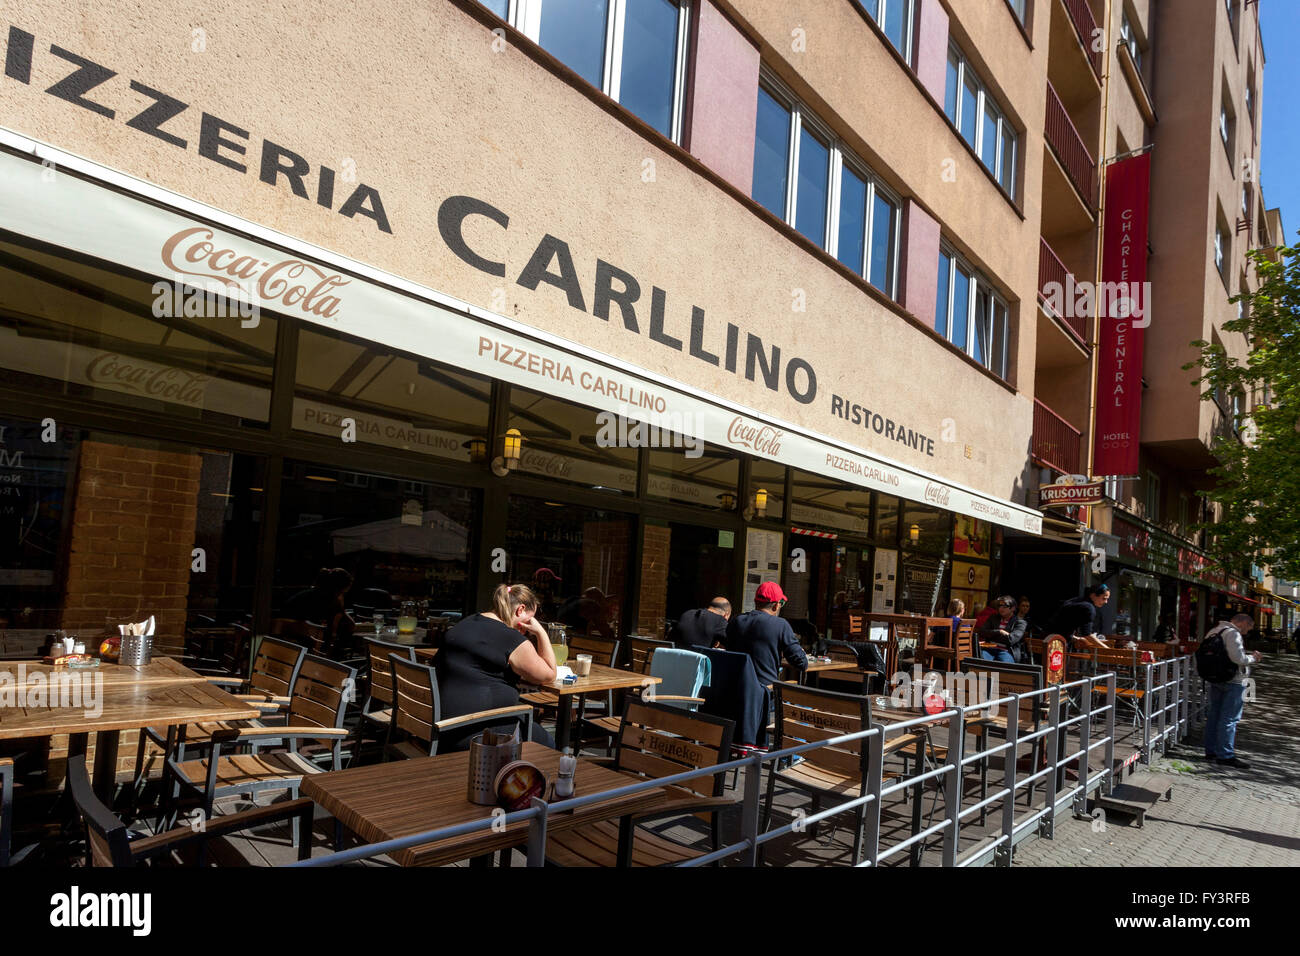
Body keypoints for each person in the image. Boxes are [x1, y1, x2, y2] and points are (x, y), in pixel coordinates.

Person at [434, 583, 558, 749]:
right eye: (530, 619)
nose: (528, 628)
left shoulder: (467, 622)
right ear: (520, 610)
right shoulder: (512, 639)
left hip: (443, 726)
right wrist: (541, 632)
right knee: (547, 742)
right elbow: (549, 674)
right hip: (477, 730)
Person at [1202, 613, 1262, 769]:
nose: (1249, 631)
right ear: (1242, 623)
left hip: (1216, 678)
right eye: (1249, 626)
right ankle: (1225, 755)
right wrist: (1253, 658)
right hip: (1234, 680)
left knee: (1214, 715)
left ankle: (1211, 750)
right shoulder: (1233, 633)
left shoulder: (1214, 631)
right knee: (1230, 719)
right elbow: (1238, 658)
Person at [725, 582, 807, 688]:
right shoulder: (780, 625)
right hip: (764, 694)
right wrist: (801, 653)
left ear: (755, 601)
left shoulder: (736, 621)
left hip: (734, 690)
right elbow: (801, 663)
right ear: (776, 605)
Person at [281, 567, 356, 651]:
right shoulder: (327, 600)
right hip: (300, 643)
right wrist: (341, 606)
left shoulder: (311, 593)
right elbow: (350, 625)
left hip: (283, 640)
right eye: (342, 592)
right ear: (337, 590)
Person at [1047, 583, 1112, 648]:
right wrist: (1106, 649)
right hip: (1056, 643)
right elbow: (1087, 634)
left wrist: (1076, 638)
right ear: (1093, 595)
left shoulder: (1078, 601)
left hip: (1046, 637)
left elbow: (1061, 624)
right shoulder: (1088, 608)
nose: (1106, 602)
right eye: (1104, 598)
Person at [977, 595, 1027, 664]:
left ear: (1013, 608)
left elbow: (1011, 640)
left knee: (1005, 668)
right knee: (981, 663)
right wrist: (999, 632)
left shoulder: (1020, 622)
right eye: (1000, 606)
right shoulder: (993, 617)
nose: (1001, 608)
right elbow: (982, 632)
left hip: (1006, 651)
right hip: (989, 649)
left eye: (1005, 606)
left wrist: (991, 635)